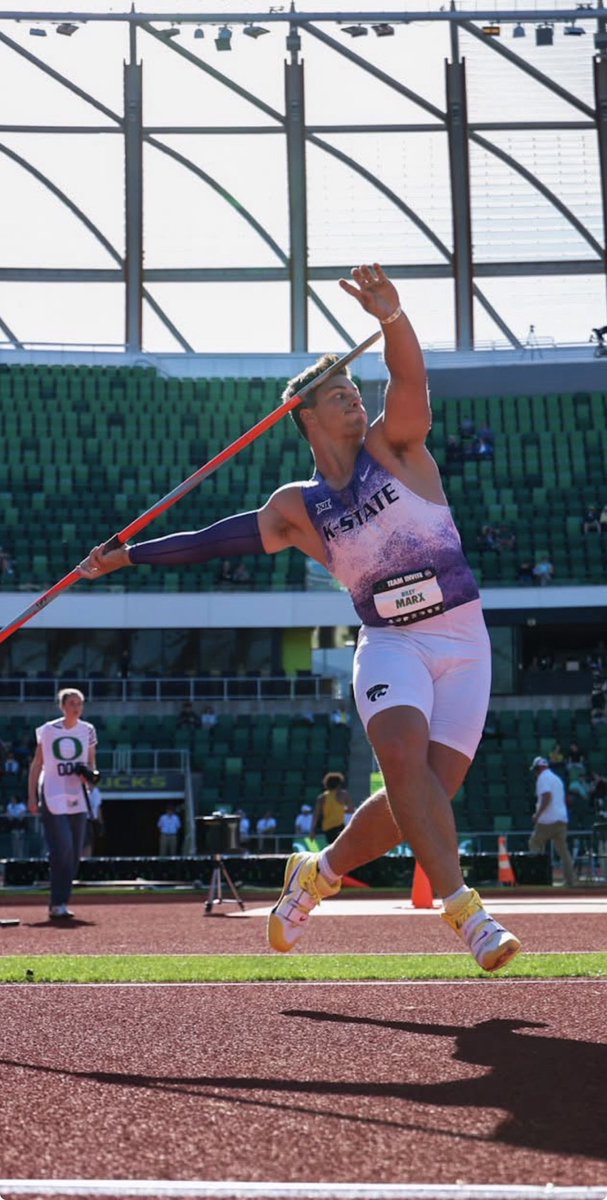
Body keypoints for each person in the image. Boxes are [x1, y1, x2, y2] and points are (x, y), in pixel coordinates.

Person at [79, 261, 521, 973]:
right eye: (339, 395)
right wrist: (129, 556)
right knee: (403, 762)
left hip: (463, 638)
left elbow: (410, 383)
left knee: (426, 796)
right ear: (306, 417)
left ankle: (313, 874)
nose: (354, 401)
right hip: (390, 644)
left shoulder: (395, 446)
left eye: (353, 390)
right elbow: (213, 539)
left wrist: (393, 320)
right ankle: (466, 914)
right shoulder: (296, 507)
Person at [27, 687, 98, 919]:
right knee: (63, 848)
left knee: (75, 851)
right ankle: (57, 901)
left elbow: (91, 764)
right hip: (53, 791)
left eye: (80, 704)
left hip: (77, 795)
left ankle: (62, 901)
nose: (76, 708)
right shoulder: (48, 730)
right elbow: (38, 764)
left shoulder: (88, 730)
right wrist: (32, 795)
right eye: (72, 703)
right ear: (62, 706)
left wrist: (90, 777)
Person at [528, 756, 576, 887]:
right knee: (563, 851)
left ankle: (537, 877)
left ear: (539, 768)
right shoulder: (557, 779)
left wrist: (537, 815)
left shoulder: (543, 778)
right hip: (561, 819)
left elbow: (547, 797)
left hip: (547, 820)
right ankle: (570, 880)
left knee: (535, 844)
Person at [312, 772, 353, 843]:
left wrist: (313, 830)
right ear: (339, 784)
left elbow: (316, 815)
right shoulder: (343, 795)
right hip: (339, 826)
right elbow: (351, 809)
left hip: (327, 828)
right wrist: (342, 810)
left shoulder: (322, 798)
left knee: (332, 847)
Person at [6, 794, 28, 858]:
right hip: (13, 827)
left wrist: (14, 816)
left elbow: (21, 817)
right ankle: (14, 856)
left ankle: (20, 857)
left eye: (13, 799)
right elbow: (9, 817)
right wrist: (14, 816)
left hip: (21, 827)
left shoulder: (22, 806)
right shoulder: (9, 806)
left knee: (20, 844)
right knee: (14, 843)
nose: (12, 800)